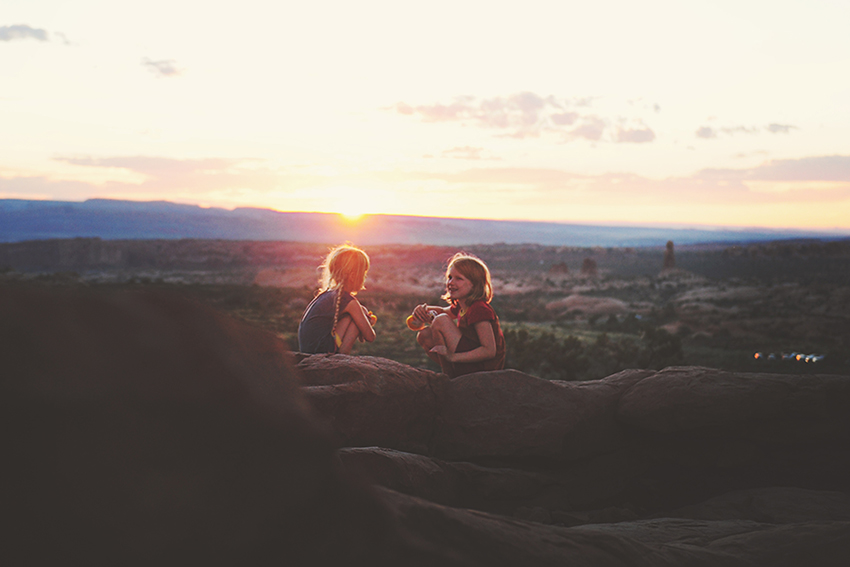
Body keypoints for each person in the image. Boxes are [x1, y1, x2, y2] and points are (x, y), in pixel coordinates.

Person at [410, 253, 505, 377]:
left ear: (475, 284)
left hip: (483, 367)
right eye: (450, 277)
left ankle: (449, 373)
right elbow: (444, 311)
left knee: (441, 321)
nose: (451, 282)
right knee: (424, 335)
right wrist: (423, 309)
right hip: (467, 360)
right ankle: (451, 374)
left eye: (459, 278)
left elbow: (489, 351)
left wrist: (453, 357)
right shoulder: (463, 305)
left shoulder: (479, 309)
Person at [298, 244, 376, 354]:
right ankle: (342, 358)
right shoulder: (350, 302)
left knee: (360, 311)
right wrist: (367, 322)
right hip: (321, 350)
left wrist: (364, 320)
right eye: (363, 273)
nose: (364, 278)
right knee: (359, 313)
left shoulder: (328, 295)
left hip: (309, 349)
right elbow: (370, 337)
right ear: (353, 277)